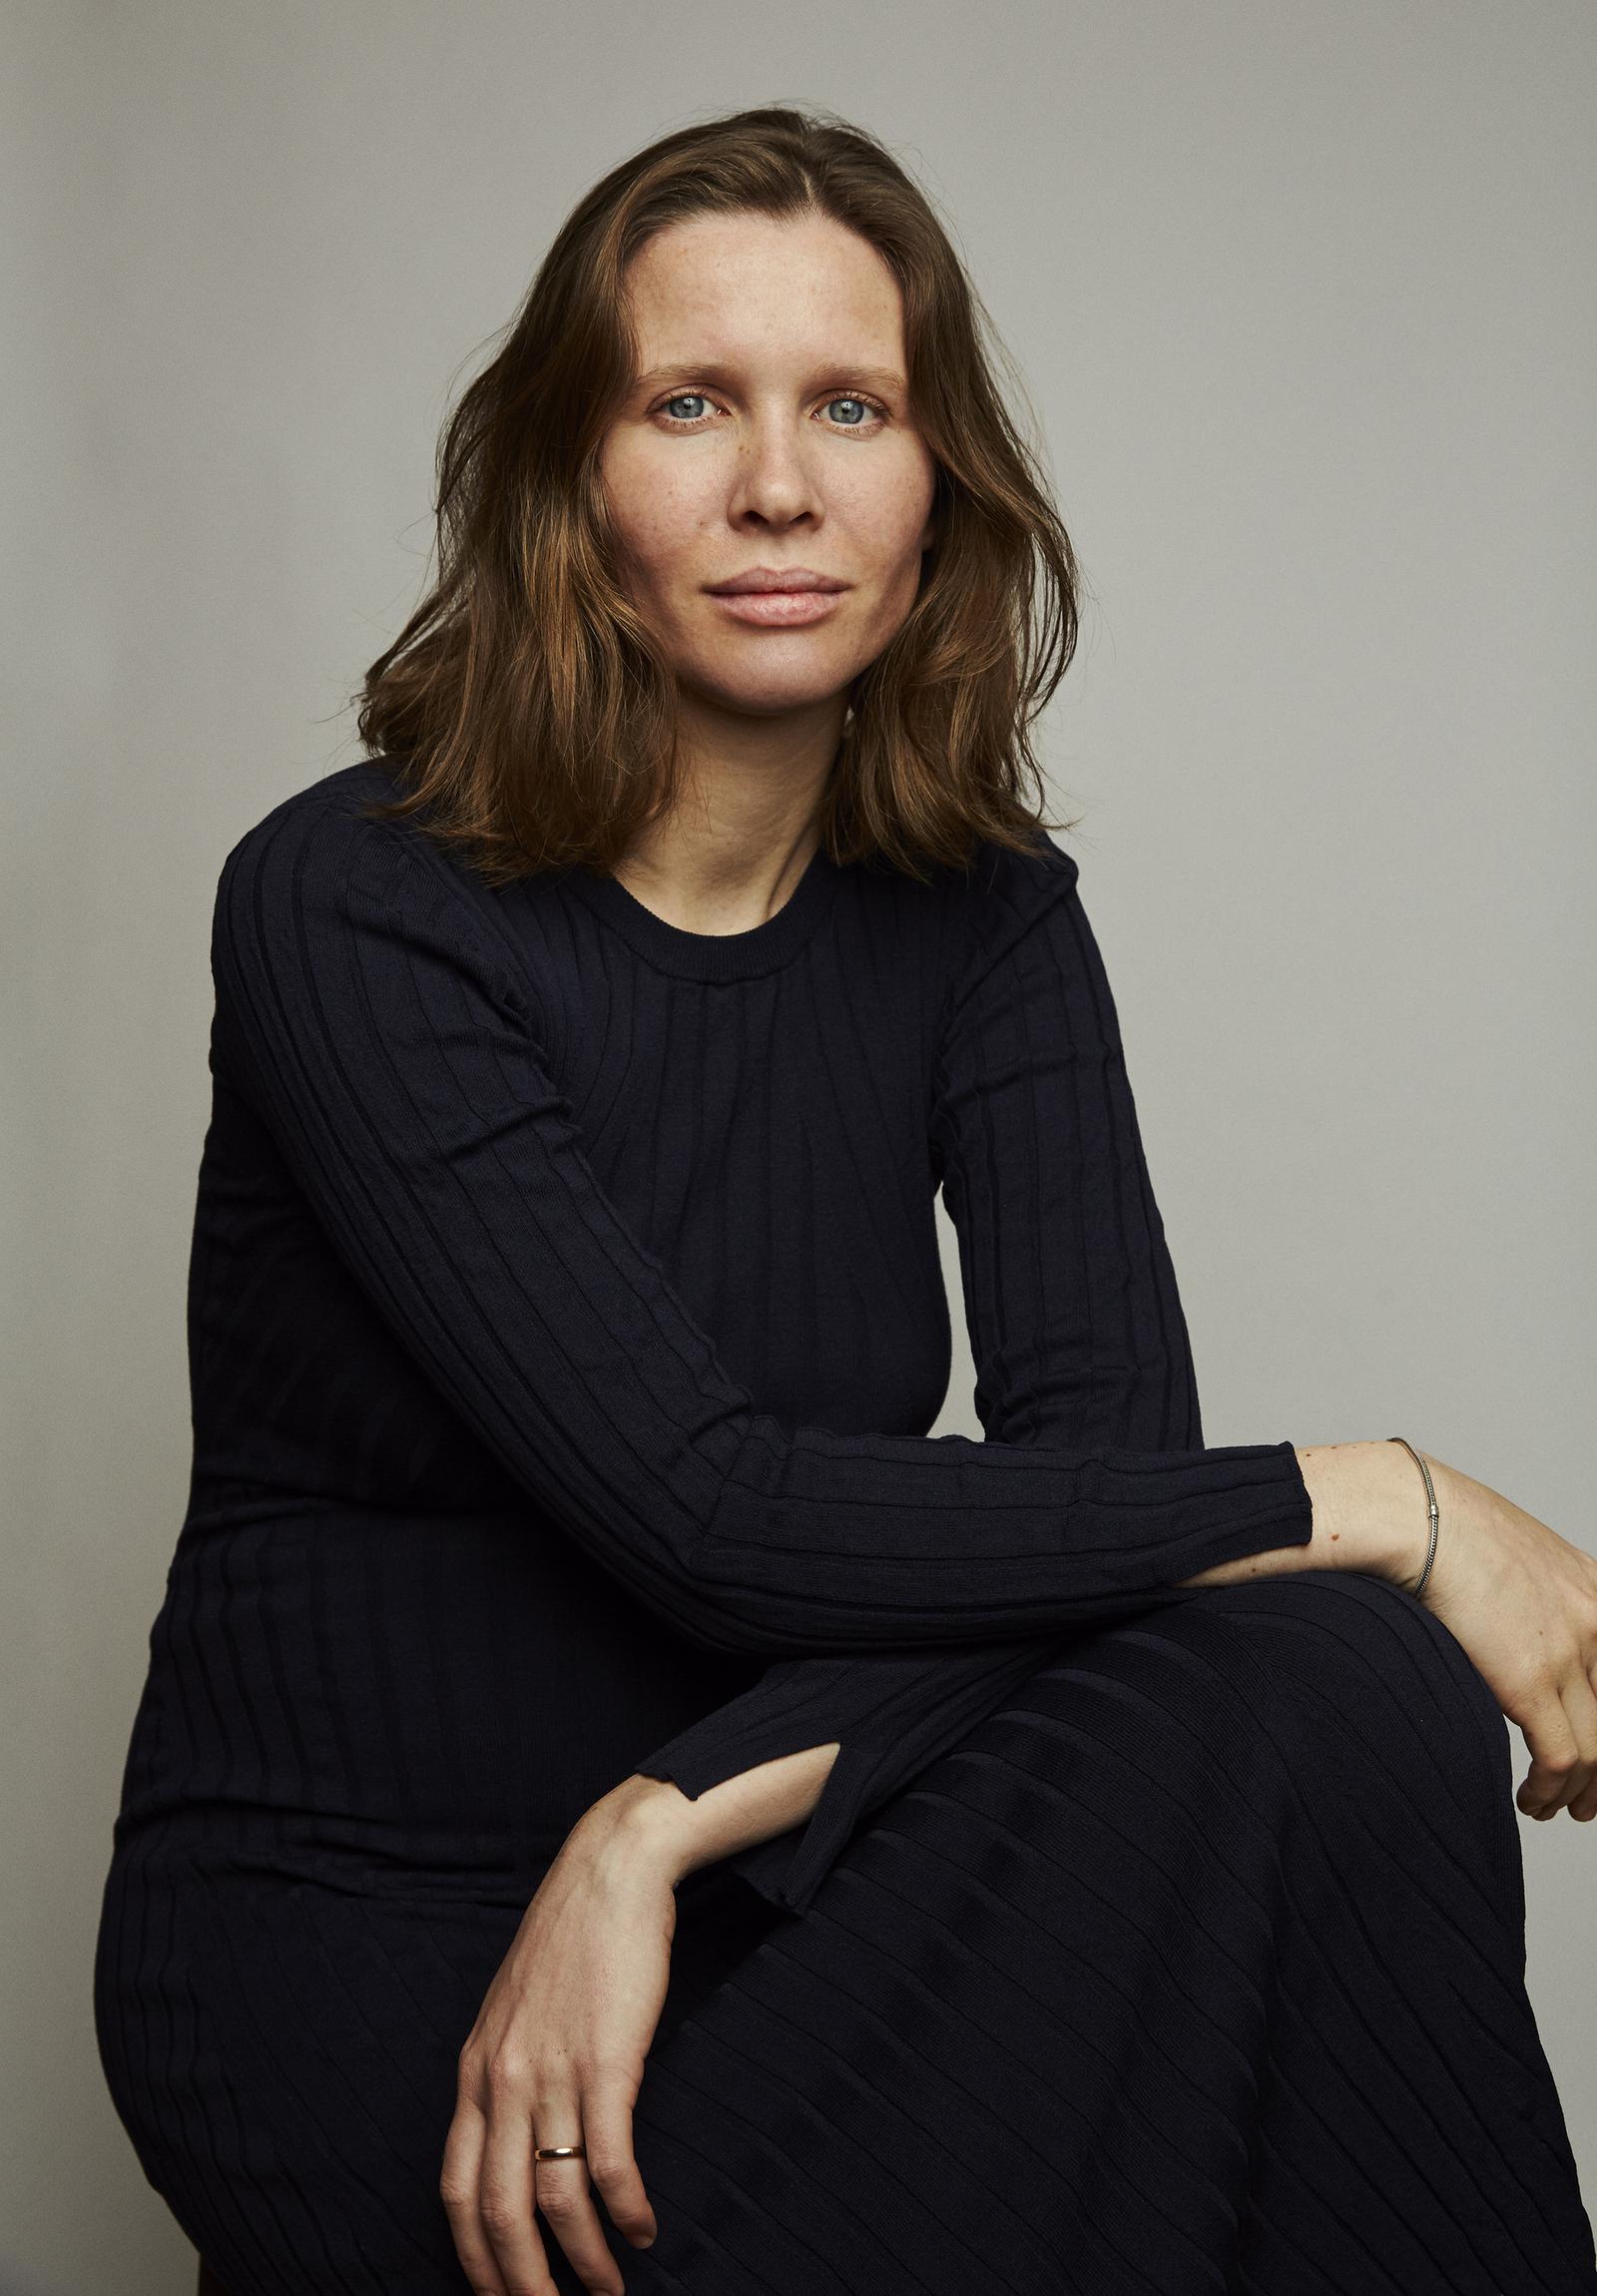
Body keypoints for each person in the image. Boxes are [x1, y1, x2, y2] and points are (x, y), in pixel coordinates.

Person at [94, 104, 1597, 2296]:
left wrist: (655, 1823)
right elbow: (700, 1509)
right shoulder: (356, 904)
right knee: (1337, 1588)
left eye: (852, 407)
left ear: (937, 481)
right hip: (374, 1957)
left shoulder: (982, 914)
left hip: (748, 1874)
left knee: (1329, 1679)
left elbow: (1105, 1515)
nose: (778, 486)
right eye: (688, 403)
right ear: (567, 480)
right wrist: (1389, 1493)